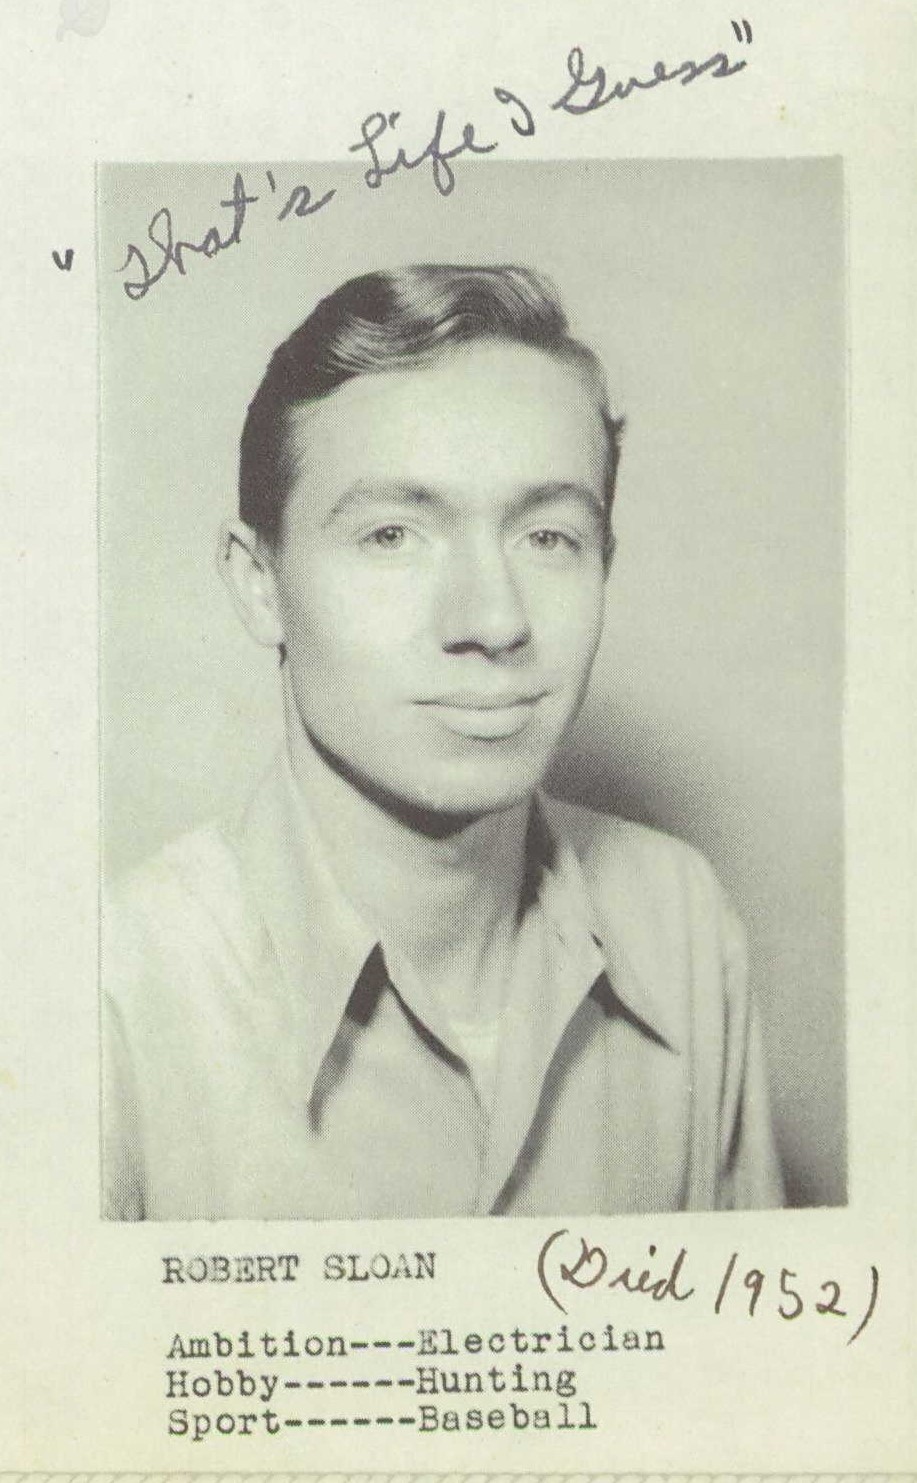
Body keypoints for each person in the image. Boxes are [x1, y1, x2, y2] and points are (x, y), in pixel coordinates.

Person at [102, 263, 784, 1220]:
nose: (493, 620)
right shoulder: (111, 1000)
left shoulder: (681, 922)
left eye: (547, 537)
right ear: (260, 584)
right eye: (391, 535)